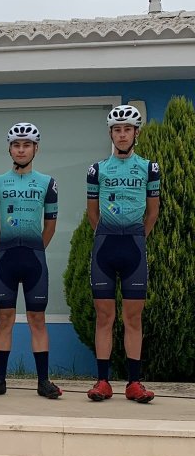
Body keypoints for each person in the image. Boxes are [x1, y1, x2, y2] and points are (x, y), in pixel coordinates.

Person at [0, 122, 62, 400]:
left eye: (26, 145)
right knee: (4, 318)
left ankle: (43, 381)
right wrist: (3, 246)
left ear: (35, 148)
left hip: (34, 258)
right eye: (16, 145)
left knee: (37, 318)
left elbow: (50, 224)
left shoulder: (47, 182)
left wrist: (36, 248)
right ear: (9, 149)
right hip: (6, 257)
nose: (21, 149)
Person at [87, 104, 160, 403]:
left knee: (133, 318)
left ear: (135, 133)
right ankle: (102, 382)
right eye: (117, 130)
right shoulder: (97, 169)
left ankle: (134, 383)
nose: (122, 134)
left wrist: (136, 237)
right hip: (105, 247)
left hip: (134, 247)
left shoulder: (149, 168)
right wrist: (108, 234)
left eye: (127, 129)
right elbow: (92, 213)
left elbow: (153, 212)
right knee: (104, 317)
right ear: (111, 134)